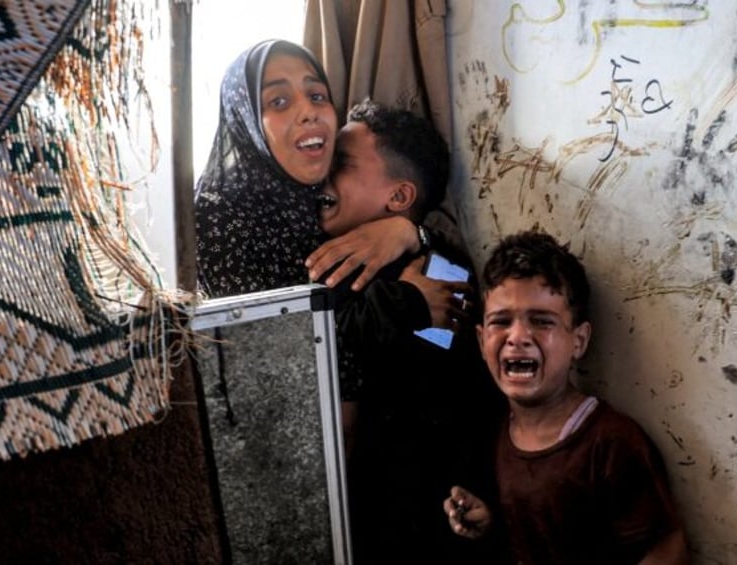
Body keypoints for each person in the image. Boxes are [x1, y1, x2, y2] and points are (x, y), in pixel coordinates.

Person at [321, 99, 506, 564]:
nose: (323, 173)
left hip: (416, 523)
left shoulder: (439, 271)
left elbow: (416, 366)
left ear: (400, 198)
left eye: (340, 164)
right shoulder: (314, 252)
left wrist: (412, 246)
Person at [444, 230, 689, 564]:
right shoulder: (496, 432)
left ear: (579, 340)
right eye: (500, 321)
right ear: (480, 339)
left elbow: (665, 547)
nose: (517, 337)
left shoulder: (610, 442)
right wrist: (487, 522)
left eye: (542, 321)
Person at [194, 39, 426, 299]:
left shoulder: (323, 193)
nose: (308, 112)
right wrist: (406, 305)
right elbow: (263, 335)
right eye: (278, 101)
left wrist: (410, 233)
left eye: (317, 96)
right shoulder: (218, 214)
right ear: (246, 121)